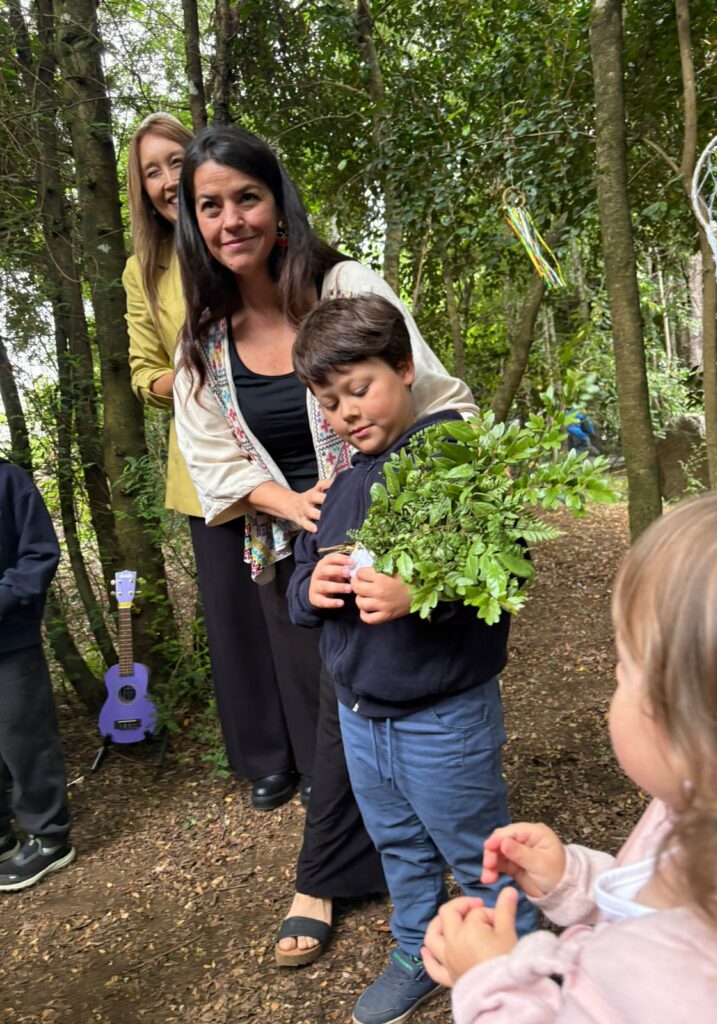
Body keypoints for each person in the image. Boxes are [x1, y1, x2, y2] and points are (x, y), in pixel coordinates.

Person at [172, 125, 478, 964]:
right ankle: (390, 858)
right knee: (334, 708)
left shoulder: (343, 285)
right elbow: (210, 456)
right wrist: (296, 506)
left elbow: (429, 388)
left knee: (381, 696)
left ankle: (326, 878)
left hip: (393, 526)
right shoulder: (204, 336)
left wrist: (428, 517)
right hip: (294, 549)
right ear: (193, 222)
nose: (231, 220)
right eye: (210, 206)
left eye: (247, 197)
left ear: (278, 204)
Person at [422, 489, 717, 1023]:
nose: (614, 673)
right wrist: (575, 881)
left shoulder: (697, 981)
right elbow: (649, 902)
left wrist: (490, 980)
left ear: (694, 733)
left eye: (627, 665)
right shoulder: (707, 805)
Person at [287, 293, 537, 1024]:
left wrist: (420, 589)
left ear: (402, 366)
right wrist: (312, 587)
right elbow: (302, 573)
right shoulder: (341, 486)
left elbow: (508, 567)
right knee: (396, 839)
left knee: (477, 847)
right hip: (360, 715)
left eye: (359, 388)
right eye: (330, 403)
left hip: (443, 717)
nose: (348, 413)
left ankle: (523, 960)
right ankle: (416, 949)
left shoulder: (453, 458)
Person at [125, 113, 299, 811]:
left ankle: (321, 744)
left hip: (283, 451)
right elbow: (144, 372)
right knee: (237, 618)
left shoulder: (250, 241)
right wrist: (199, 377)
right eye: (152, 172)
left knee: (294, 601)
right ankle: (267, 758)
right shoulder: (144, 272)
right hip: (209, 474)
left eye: (176, 162)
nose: (167, 180)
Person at [0, 460, 75, 891]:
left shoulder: (8, 480)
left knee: (24, 738)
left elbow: (39, 553)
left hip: (9, 639)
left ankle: (49, 838)